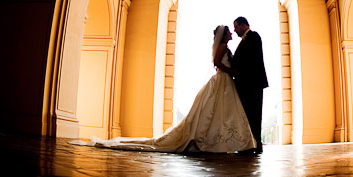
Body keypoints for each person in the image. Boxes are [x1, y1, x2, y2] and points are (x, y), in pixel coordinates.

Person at [90, 25, 256, 153]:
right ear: (224, 34)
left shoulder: (224, 46)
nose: (232, 33)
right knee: (216, 110)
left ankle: (222, 140)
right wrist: (232, 71)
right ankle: (208, 140)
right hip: (222, 80)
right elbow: (218, 64)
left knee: (222, 112)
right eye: (229, 32)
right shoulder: (221, 47)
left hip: (226, 82)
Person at [231, 16, 269, 154]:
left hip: (252, 83)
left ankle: (256, 144)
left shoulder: (253, 36)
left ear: (243, 25)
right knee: (247, 114)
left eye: (236, 27)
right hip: (246, 83)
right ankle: (249, 143)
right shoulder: (244, 41)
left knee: (254, 114)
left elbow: (249, 60)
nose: (234, 30)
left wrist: (234, 69)